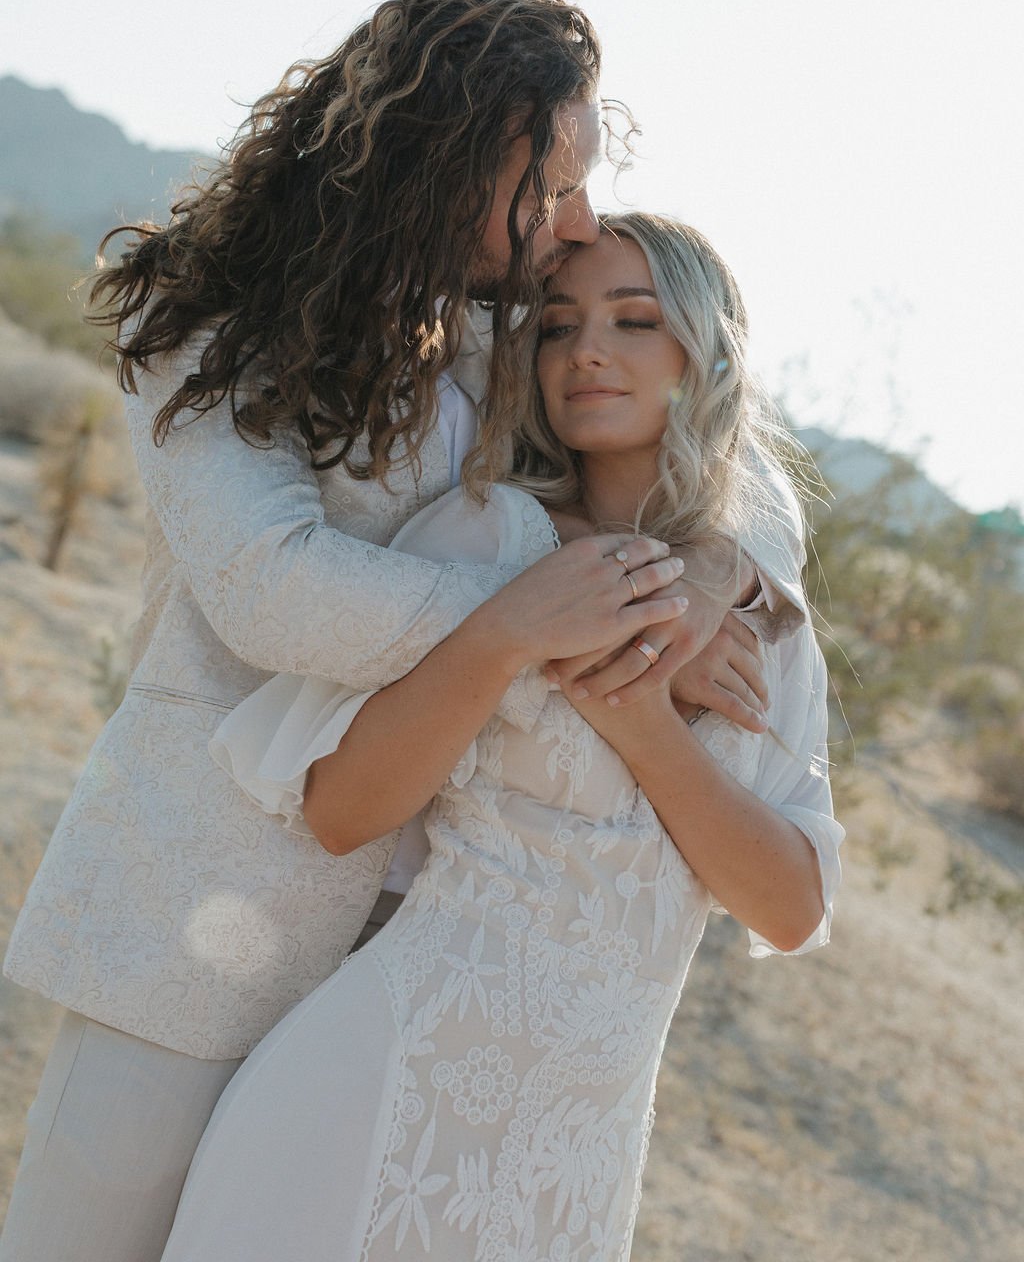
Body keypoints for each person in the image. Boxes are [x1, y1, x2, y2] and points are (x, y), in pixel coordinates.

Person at [0, 0, 799, 1262]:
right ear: (436, 167)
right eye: (544, 189)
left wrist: (701, 587)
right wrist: (552, 618)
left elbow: (722, 431)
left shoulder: (503, 328)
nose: (574, 219)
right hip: (191, 919)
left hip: (412, 969)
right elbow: (272, 588)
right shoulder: (198, 323)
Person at [156, 214, 842, 1262]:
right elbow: (341, 814)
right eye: (557, 327)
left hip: (578, 1148)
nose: (587, 352)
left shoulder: (761, 625)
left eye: (633, 320)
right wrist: (510, 632)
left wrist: (645, 724)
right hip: (376, 1086)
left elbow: (791, 909)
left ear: (702, 354)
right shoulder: (483, 533)